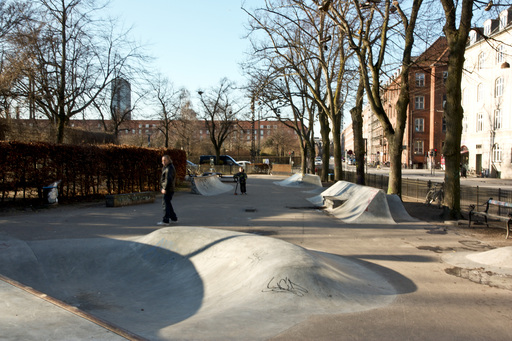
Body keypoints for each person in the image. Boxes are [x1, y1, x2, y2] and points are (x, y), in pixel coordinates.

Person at [158, 155, 178, 225]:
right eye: (162, 161)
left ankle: (165, 220)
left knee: (165, 204)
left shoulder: (169, 168)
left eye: (165, 160)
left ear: (169, 160)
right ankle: (174, 218)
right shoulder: (166, 167)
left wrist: (164, 188)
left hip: (168, 189)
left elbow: (168, 179)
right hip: (169, 188)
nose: (163, 162)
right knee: (168, 203)